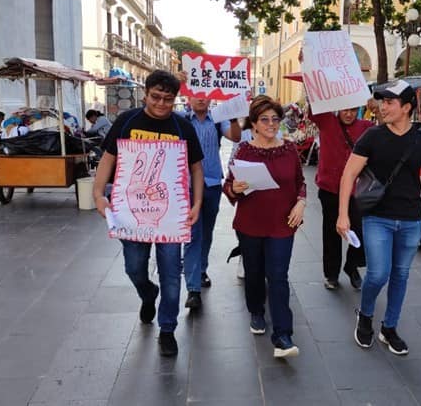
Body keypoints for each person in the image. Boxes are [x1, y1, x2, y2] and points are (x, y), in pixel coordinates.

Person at [92, 70, 204, 357]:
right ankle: (147, 293)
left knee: (170, 272)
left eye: (168, 99)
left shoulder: (182, 127)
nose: (161, 104)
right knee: (133, 267)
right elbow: (108, 159)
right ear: (146, 93)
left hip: (170, 213)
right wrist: (98, 195)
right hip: (131, 213)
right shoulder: (127, 121)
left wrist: (196, 203)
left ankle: (167, 329)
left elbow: (196, 168)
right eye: (156, 97)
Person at [336, 80, 421, 355]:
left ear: (406, 107)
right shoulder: (373, 137)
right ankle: (366, 315)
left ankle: (390, 327)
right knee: (378, 273)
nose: (383, 107)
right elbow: (348, 174)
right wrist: (343, 215)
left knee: (401, 275)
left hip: (410, 218)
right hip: (377, 217)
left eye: (389, 102)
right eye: (382, 102)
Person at [223, 97, 306, 358]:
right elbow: (229, 184)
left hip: (282, 224)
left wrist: (301, 202)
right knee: (255, 272)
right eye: (265, 120)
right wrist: (234, 189)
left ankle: (283, 335)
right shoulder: (243, 150)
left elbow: (300, 182)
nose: (271, 124)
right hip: (250, 223)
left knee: (279, 276)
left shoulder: (290, 149)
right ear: (254, 124)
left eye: (275, 119)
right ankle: (256, 311)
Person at [180, 96, 241, 309]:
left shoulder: (218, 119)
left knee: (206, 232)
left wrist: (233, 118)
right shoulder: (181, 119)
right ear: (188, 97)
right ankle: (193, 288)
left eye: (205, 94)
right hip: (186, 185)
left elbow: (235, 136)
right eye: (196, 93)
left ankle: (200, 269)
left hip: (213, 183)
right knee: (192, 235)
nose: (200, 98)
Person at [308, 105, 373, 290]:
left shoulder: (366, 127)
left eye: (353, 110)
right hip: (330, 188)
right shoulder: (327, 121)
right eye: (345, 109)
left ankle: (351, 266)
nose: (349, 114)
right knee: (331, 232)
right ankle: (331, 274)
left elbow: (385, 131)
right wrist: (314, 85)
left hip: (356, 190)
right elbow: (314, 109)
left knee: (360, 230)